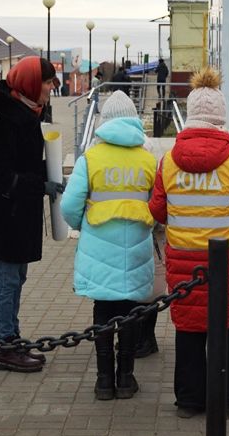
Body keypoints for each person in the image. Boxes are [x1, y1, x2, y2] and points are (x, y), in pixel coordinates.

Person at [149, 68, 229, 418]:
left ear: (191, 116)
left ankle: (188, 401)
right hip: (226, 263)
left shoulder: (168, 161)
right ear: (220, 117)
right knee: (226, 333)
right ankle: (224, 402)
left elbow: (157, 209)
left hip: (183, 263)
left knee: (187, 332)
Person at [61, 91, 157, 400]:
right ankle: (126, 379)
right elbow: (158, 205)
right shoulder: (147, 159)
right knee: (130, 311)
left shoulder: (91, 158)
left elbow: (69, 206)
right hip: (138, 247)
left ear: (104, 122)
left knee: (102, 309)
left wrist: (83, 226)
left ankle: (104, 381)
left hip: (98, 247)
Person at [0, 56, 63, 373]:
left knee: (17, 278)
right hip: (4, 216)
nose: (53, 87)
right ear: (30, 83)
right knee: (7, 281)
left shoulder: (29, 113)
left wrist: (50, 173)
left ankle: (12, 337)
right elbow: (2, 175)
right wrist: (41, 183)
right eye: (48, 81)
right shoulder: (5, 122)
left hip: (18, 214)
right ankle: (5, 346)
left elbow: (25, 166)